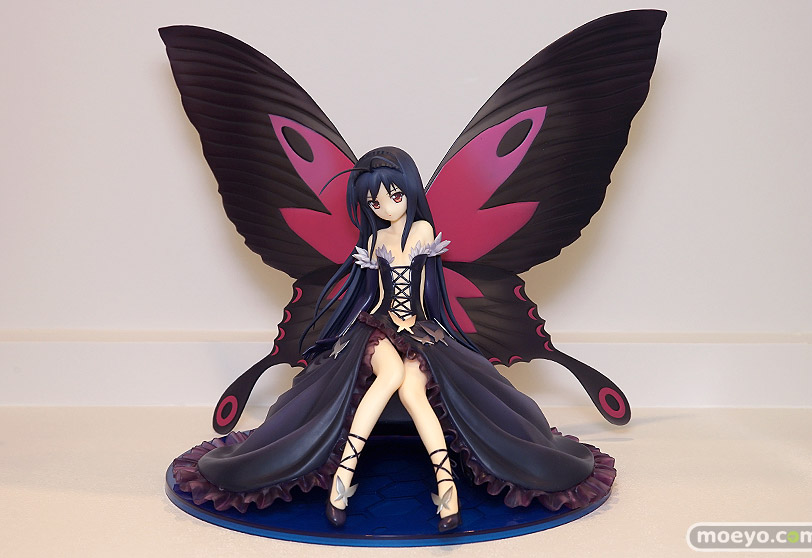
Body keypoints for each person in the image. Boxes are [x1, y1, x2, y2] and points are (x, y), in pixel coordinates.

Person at [173, 147, 615, 533]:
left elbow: (423, 290)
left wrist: (421, 328)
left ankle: (446, 490)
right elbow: (377, 294)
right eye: (374, 201)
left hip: (419, 326)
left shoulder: (420, 231)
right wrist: (360, 326)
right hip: (379, 324)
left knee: (414, 390)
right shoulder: (375, 238)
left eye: (393, 195)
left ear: (409, 190)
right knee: (386, 377)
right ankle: (342, 481)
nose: (384, 206)